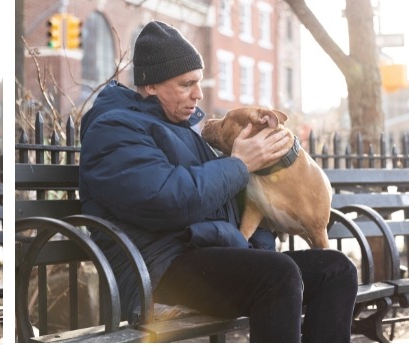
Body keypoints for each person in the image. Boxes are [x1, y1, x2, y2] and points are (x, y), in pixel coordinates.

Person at [78, 21, 358, 342]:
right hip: (156, 271)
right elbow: (165, 199)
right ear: (151, 86)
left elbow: (230, 201)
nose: (198, 94)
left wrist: (260, 244)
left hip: (206, 254)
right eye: (186, 84)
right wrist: (239, 164)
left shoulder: (183, 126)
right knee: (277, 275)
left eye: (198, 82)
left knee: (335, 269)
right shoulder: (115, 128)